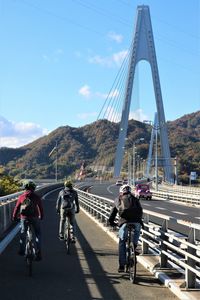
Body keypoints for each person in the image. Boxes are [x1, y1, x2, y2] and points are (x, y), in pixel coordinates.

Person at [108, 184, 143, 273]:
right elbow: (140, 210)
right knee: (137, 231)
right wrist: (139, 221)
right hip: (136, 222)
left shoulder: (119, 199)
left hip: (124, 222)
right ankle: (134, 248)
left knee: (122, 241)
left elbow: (113, 212)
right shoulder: (135, 198)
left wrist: (111, 222)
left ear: (121, 191)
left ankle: (121, 266)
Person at [12, 179, 44, 261]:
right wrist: (41, 216)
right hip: (34, 217)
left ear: (25, 188)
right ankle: (39, 252)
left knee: (23, 233)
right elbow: (40, 208)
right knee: (37, 234)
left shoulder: (21, 197)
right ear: (34, 188)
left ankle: (22, 251)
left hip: (24, 218)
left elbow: (16, 208)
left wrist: (14, 217)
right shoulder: (37, 197)